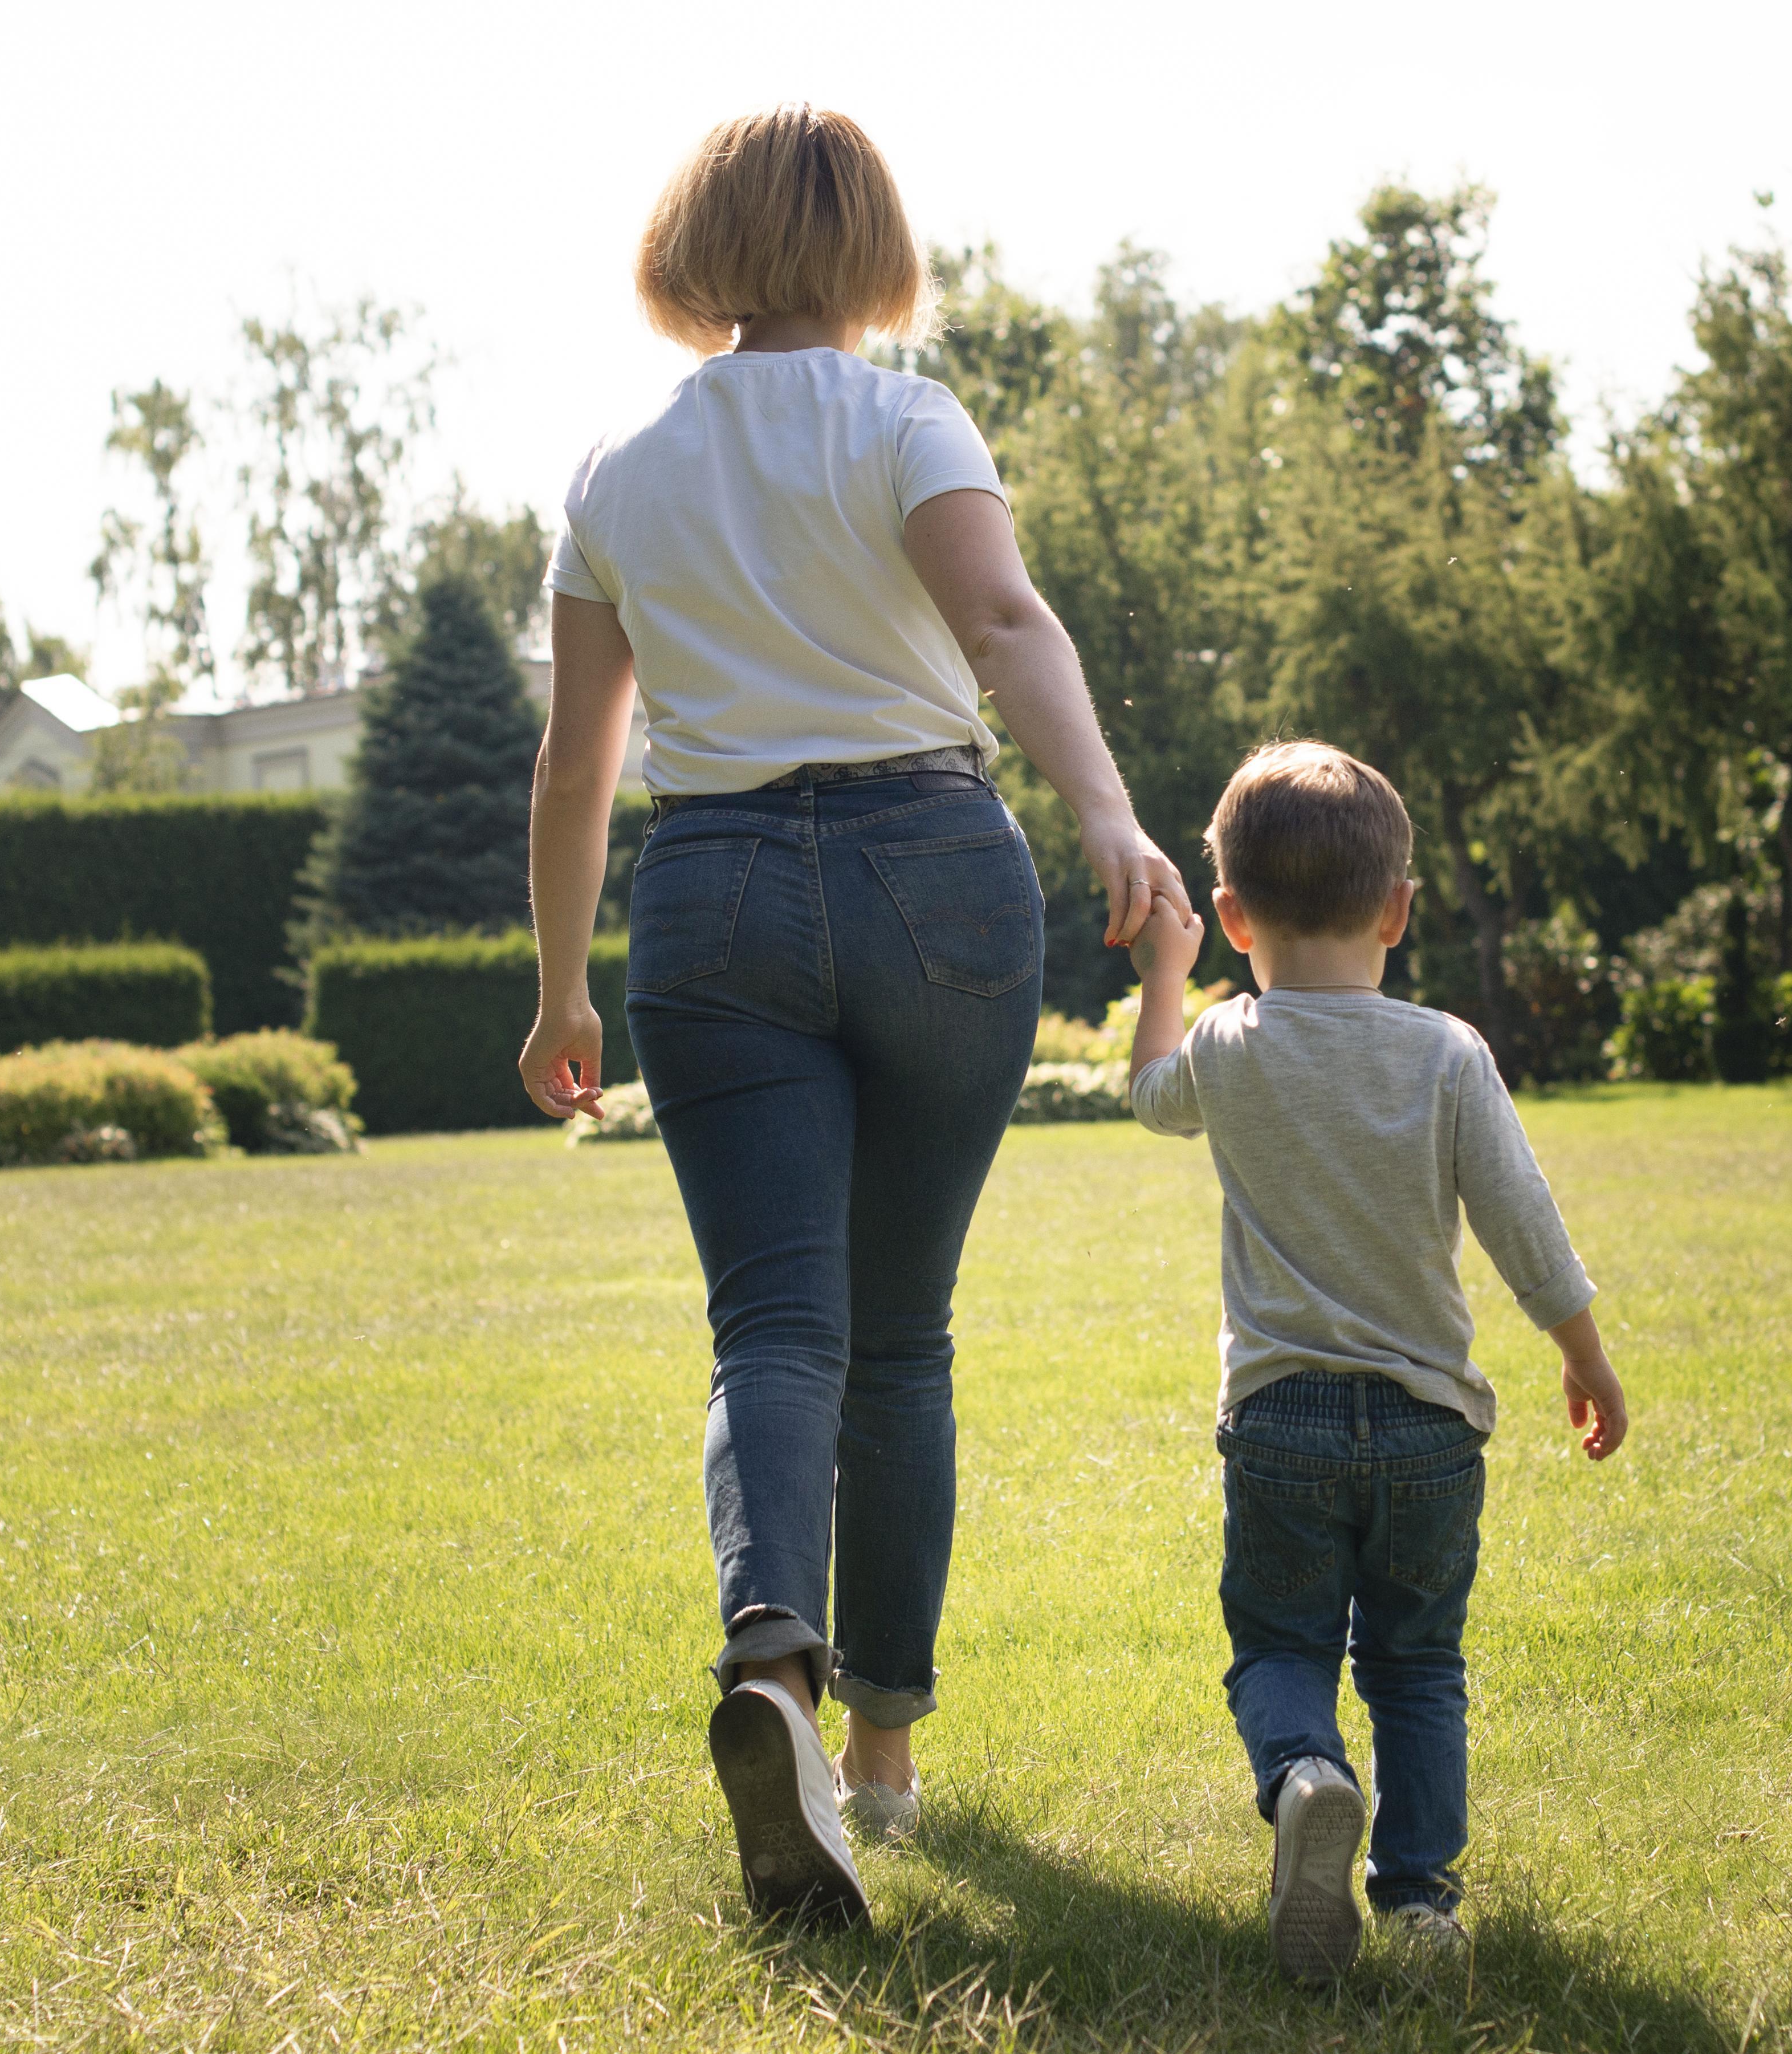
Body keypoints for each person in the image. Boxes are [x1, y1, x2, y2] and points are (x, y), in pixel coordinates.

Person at [516, 105, 1188, 1930]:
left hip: (712, 890)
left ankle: (772, 1673)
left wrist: (566, 981)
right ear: (869, 242)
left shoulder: (616, 462)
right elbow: (1009, 621)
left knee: (774, 1331)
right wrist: (1112, 813)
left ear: (703, 243)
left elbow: (581, 762)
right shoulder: (907, 418)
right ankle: (883, 1760)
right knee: (901, 1334)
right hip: (933, 872)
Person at [1123, 740, 1628, 1980]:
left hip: (1281, 1418)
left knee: (1280, 1645)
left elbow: (1147, 1090)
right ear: (1400, 910)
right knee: (1416, 1662)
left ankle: (1303, 1775)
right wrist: (1586, 1357)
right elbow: (1525, 1223)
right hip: (1430, 1429)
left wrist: (1164, 974)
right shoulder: (1448, 1052)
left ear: (1234, 916)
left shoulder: (1233, 1047)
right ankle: (1419, 1903)